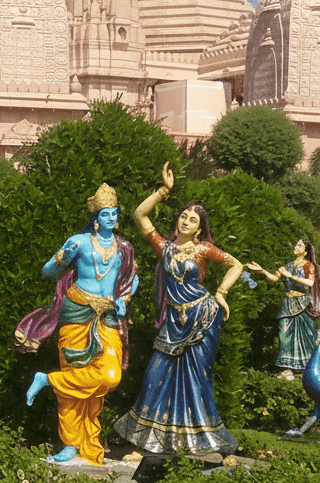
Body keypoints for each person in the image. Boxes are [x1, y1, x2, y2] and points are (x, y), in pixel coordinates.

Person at [114, 163, 243, 456]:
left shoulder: (203, 250)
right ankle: (148, 442)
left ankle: (199, 444)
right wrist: (164, 191)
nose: (186, 221)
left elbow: (236, 264)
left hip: (203, 318)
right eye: (184, 216)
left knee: (197, 381)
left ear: (200, 228)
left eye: (193, 219)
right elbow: (139, 215)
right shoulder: (165, 248)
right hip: (174, 322)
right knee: (155, 376)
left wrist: (222, 293)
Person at [18, 183, 138, 466]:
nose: (111, 217)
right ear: (96, 217)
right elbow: (47, 271)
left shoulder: (125, 247)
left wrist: (125, 297)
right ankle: (71, 444)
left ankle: (46, 379)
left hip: (107, 316)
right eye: (106, 213)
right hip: (76, 312)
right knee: (74, 384)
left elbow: (131, 277)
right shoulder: (80, 241)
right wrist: (63, 256)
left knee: (109, 376)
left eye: (115, 213)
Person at [247, 239, 320, 379]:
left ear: (305, 252)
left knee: (305, 337)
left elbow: (310, 282)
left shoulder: (308, 265)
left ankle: (307, 368)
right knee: (285, 333)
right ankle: (287, 369)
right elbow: (273, 280)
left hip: (303, 304)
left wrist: (291, 276)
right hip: (288, 304)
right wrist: (262, 271)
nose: (296, 246)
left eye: (300, 245)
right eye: (296, 244)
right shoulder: (287, 266)